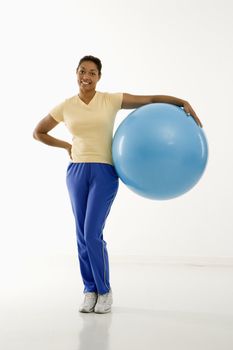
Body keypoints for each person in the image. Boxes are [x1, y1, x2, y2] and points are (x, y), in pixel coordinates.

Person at [33, 55, 202, 314]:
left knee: (92, 233)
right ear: (75, 73)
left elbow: (148, 100)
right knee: (81, 235)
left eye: (92, 72)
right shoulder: (66, 106)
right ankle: (89, 290)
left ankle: (104, 291)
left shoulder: (110, 100)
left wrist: (181, 102)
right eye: (82, 71)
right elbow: (39, 132)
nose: (86, 76)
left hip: (105, 172)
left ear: (99, 77)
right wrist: (66, 145)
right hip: (76, 171)